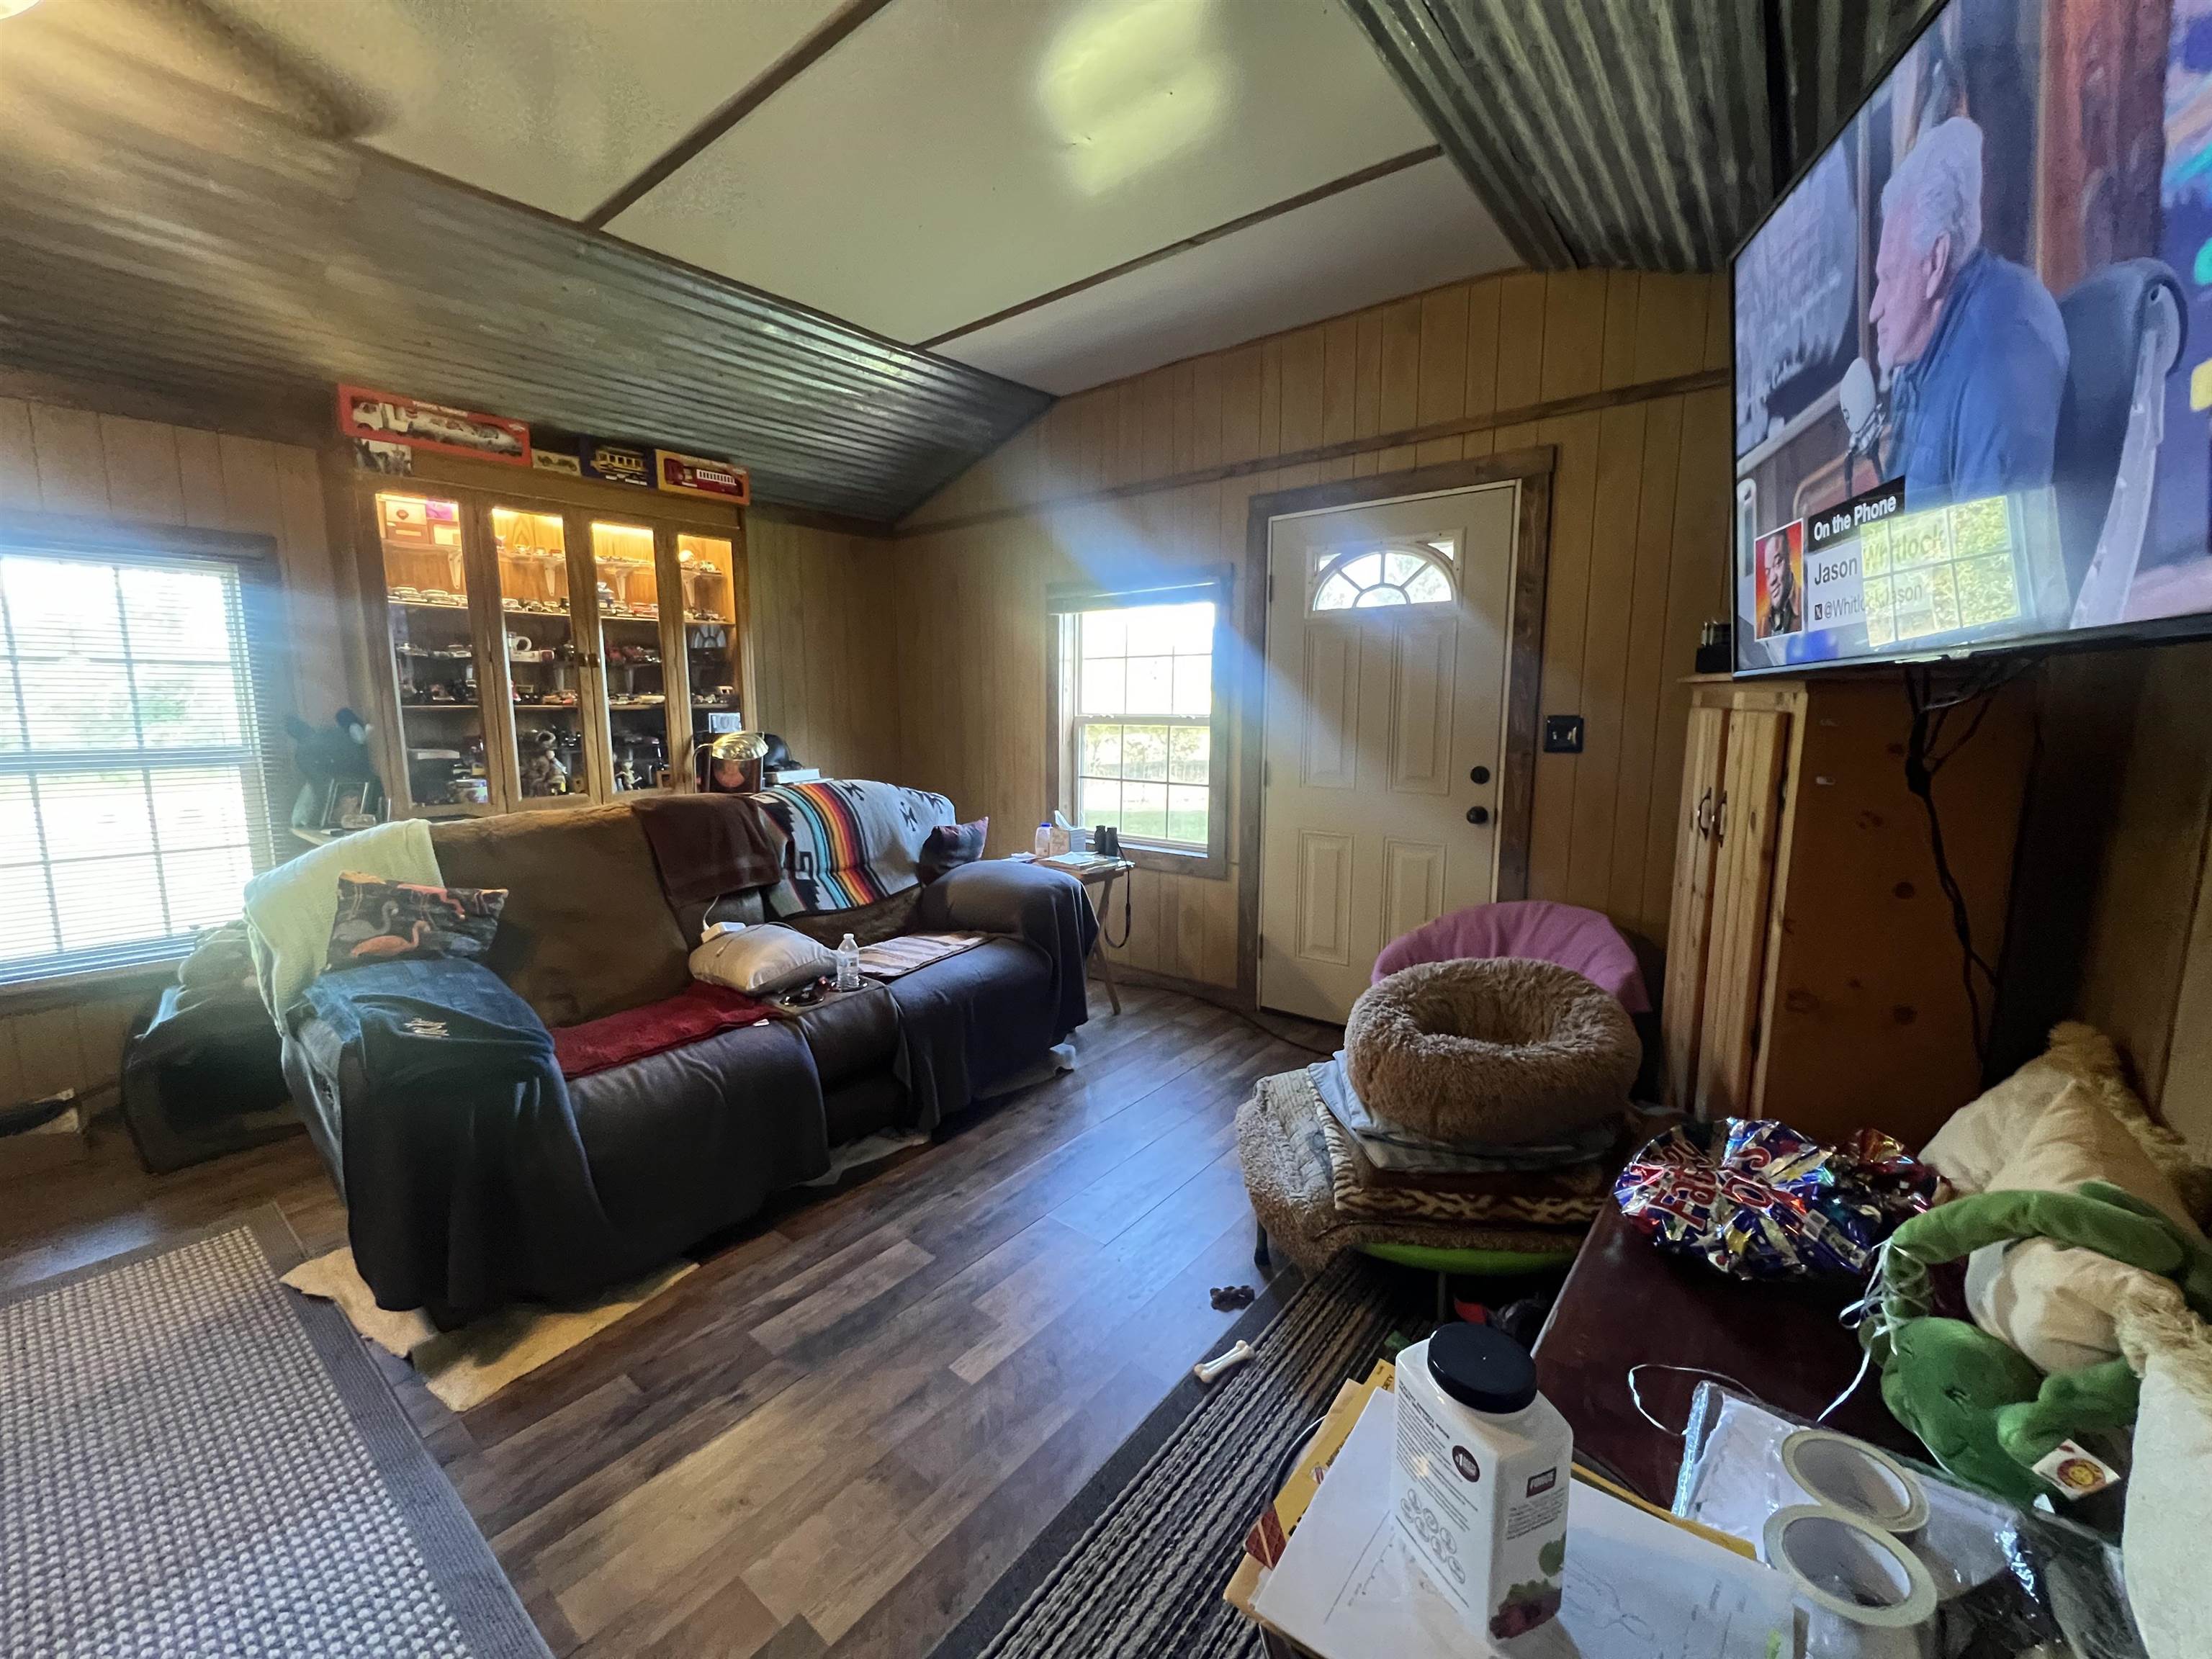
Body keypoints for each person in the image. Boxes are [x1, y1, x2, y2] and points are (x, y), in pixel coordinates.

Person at [1869, 117, 2068, 510]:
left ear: (1936, 261)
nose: (1875, 310)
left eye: (1889, 278)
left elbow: (1992, 565)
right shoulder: (1929, 343)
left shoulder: (1998, 360)